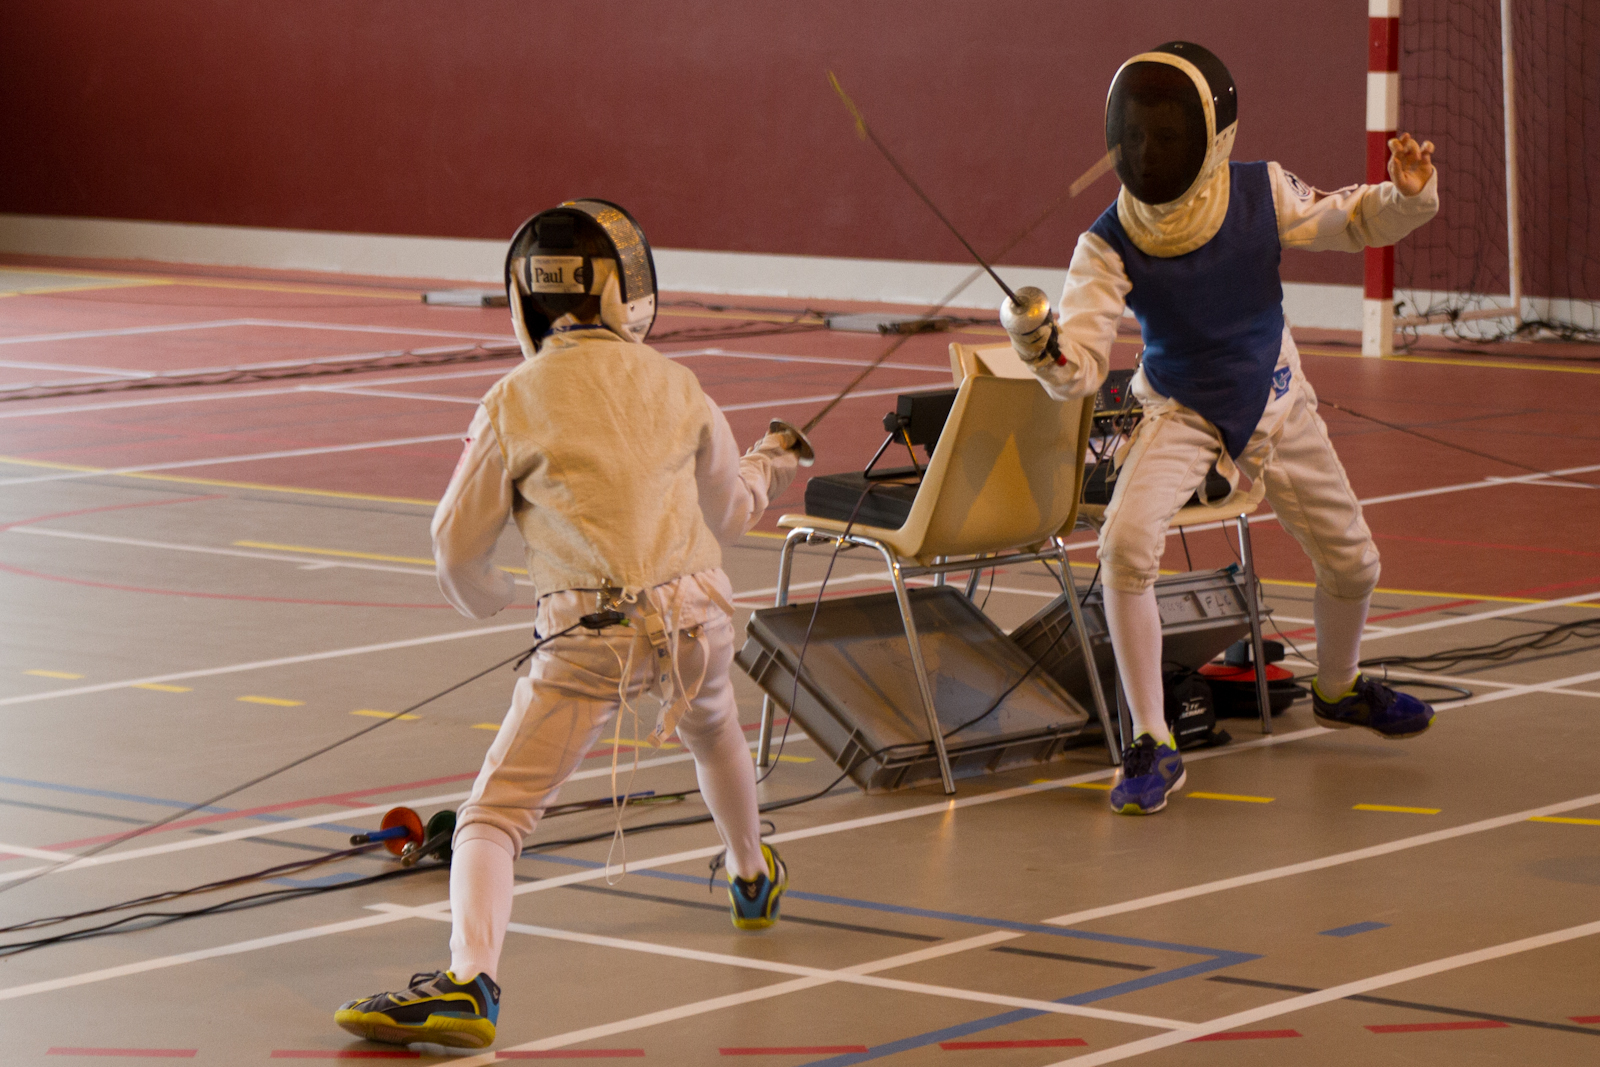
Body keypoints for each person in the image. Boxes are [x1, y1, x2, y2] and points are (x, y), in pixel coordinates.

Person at [335, 199, 808, 1049]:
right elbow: (730, 513)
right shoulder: (678, 383)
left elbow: (454, 544)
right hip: (699, 619)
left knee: (494, 816)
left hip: (590, 635)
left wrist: (489, 597)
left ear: (530, 297)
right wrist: (769, 462)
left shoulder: (513, 397)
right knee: (713, 731)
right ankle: (751, 874)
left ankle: (469, 983)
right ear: (625, 293)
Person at [1000, 42, 1440, 816]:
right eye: (1137, 134)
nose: (1148, 152)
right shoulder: (1107, 241)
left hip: (1278, 395)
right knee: (1124, 544)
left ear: (1213, 138)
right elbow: (1081, 367)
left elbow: (1352, 219)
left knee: (1355, 564)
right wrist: (1043, 348)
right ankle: (1150, 739)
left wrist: (1405, 196)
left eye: (1168, 135)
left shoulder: (1259, 191)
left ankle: (1337, 689)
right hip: (1184, 411)